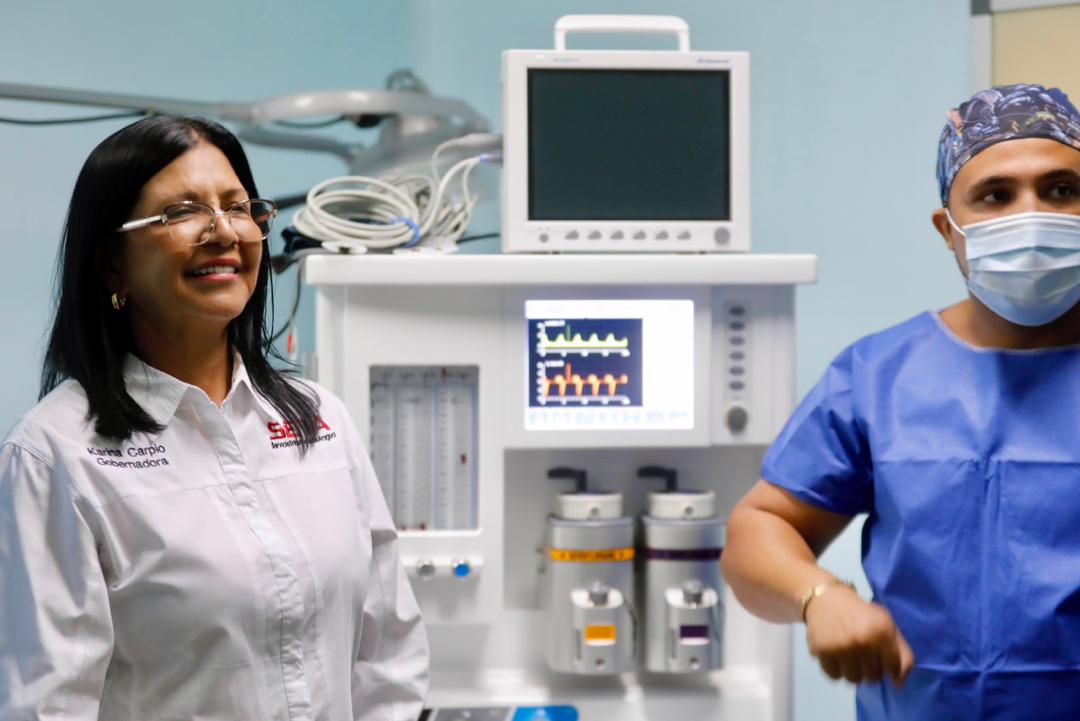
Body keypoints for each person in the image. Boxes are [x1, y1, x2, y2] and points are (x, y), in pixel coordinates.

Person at [0, 115, 428, 720]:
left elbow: (390, 661)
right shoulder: (55, 457)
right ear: (112, 264)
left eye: (238, 207)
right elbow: (50, 706)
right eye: (182, 212)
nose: (224, 231)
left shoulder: (320, 420)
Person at [721, 83, 1080, 720]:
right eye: (996, 195)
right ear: (949, 230)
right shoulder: (879, 376)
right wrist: (820, 596)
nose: (1031, 216)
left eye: (1061, 190)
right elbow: (761, 530)